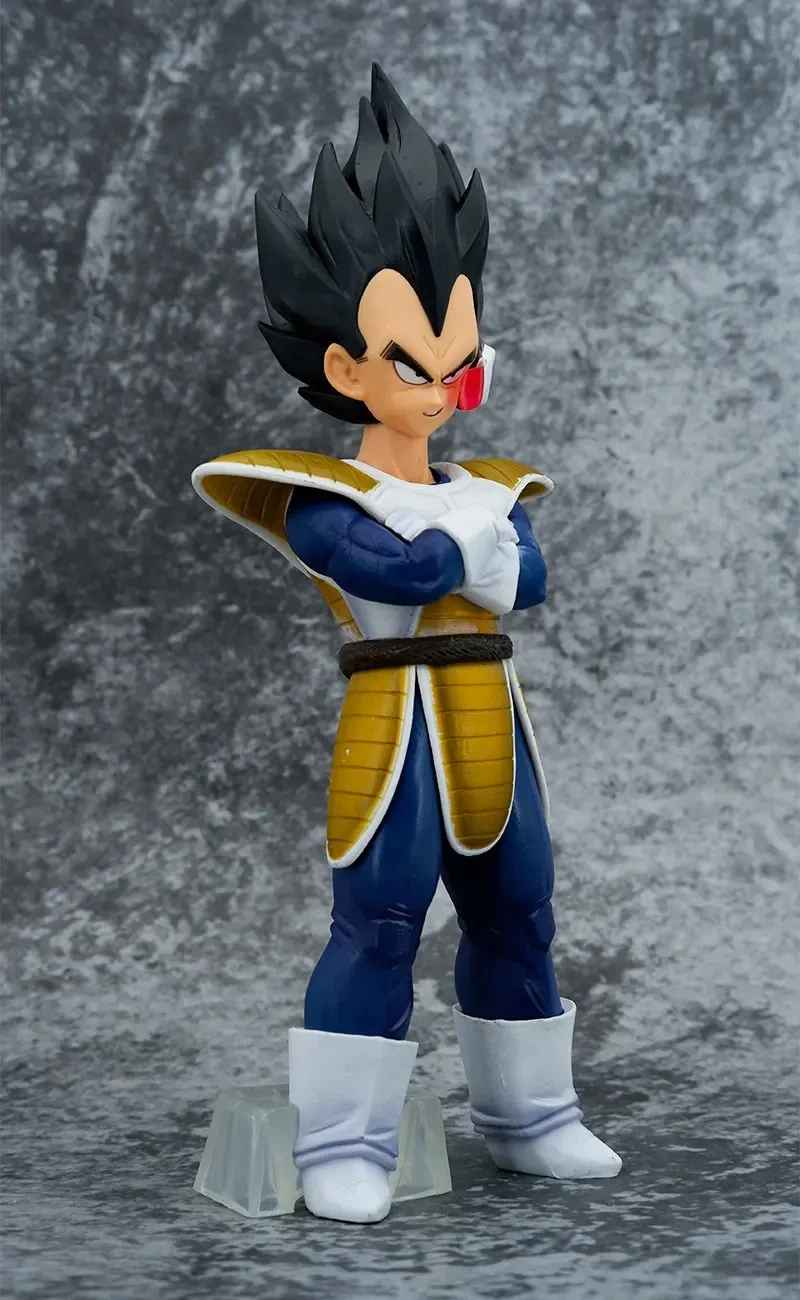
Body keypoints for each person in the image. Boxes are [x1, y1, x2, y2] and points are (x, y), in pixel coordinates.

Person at [192, 63, 621, 1225]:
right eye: (411, 364)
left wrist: (474, 542)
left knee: (518, 911)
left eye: (459, 361)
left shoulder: (484, 483)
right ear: (342, 368)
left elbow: (527, 576)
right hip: (392, 724)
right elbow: (399, 570)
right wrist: (469, 547)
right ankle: (342, 1139)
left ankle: (530, 1116)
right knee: (379, 923)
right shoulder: (323, 497)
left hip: (490, 720)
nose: (438, 390)